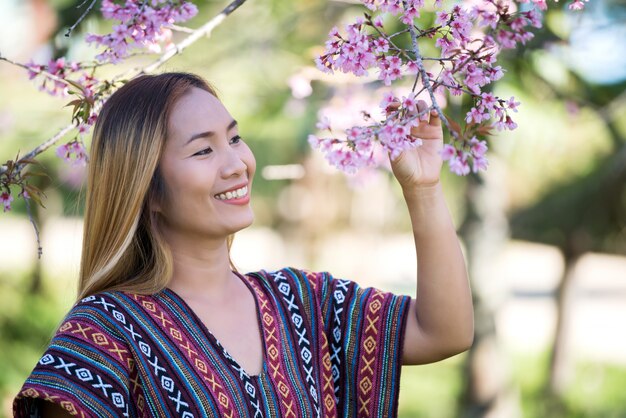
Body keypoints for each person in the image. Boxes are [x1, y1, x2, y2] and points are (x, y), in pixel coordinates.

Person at [13, 72, 473, 418]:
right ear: (147, 190)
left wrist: (424, 189)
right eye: (203, 150)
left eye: (234, 138)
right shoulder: (108, 330)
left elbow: (444, 332)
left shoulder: (302, 301)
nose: (237, 163)